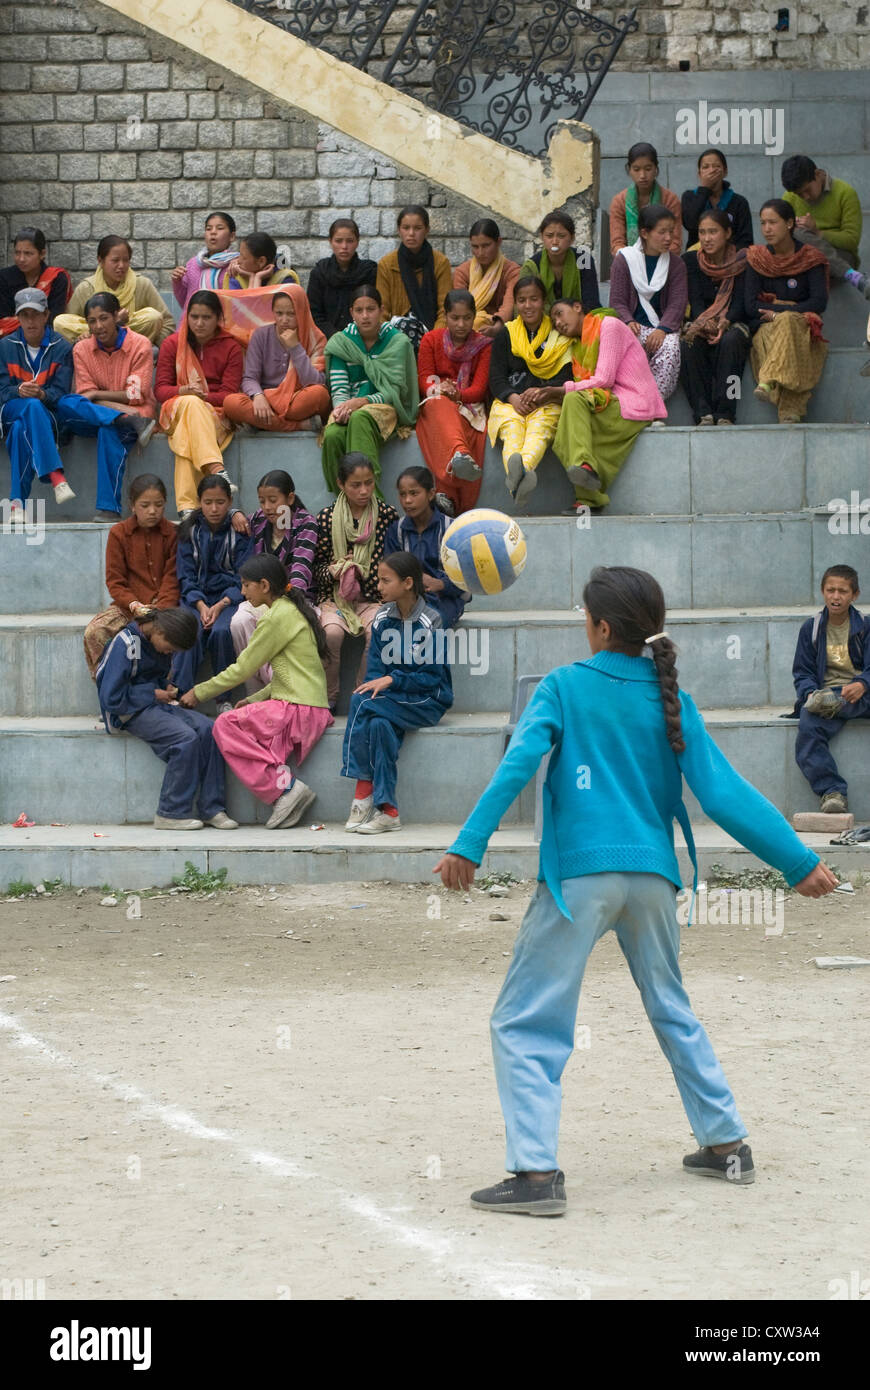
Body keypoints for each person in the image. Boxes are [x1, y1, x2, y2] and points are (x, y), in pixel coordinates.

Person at [434, 564, 837, 1216]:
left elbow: (519, 763)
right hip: (652, 878)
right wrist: (797, 862)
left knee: (524, 1019)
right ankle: (726, 1144)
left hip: (580, 880)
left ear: (598, 626)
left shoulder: (564, 686)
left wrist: (468, 843)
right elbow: (724, 792)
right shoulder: (669, 695)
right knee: (672, 1007)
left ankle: (536, 1177)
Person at [179, 554, 333, 829]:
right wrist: (252, 699)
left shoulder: (277, 617)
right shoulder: (288, 610)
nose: (242, 591)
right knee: (241, 722)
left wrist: (198, 692)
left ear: (264, 585)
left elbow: (242, 669)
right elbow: (292, 674)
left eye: (246, 584)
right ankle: (283, 792)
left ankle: (285, 790)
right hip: (305, 704)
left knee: (224, 724)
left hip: (299, 707)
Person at [95, 606, 238, 832]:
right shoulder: (126, 644)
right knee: (185, 738)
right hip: (126, 712)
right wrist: (153, 693)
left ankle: (212, 808)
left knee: (210, 728)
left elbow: (154, 678)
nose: (168, 654)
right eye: (169, 648)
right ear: (159, 632)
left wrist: (166, 689)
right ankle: (171, 812)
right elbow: (111, 698)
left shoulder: (155, 642)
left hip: (153, 705)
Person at [341, 551, 452, 834]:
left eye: (384, 580)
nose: (378, 586)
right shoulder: (381, 619)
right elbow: (375, 671)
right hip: (395, 698)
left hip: (428, 699)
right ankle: (388, 811)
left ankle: (362, 788)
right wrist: (383, 681)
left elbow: (431, 676)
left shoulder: (432, 620)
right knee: (378, 724)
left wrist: (392, 680)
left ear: (407, 583)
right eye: (378, 579)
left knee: (360, 702)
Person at [541, 298, 664, 514]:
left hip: (634, 402)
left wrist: (561, 390)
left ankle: (587, 489)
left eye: (559, 313)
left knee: (572, 400)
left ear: (578, 307)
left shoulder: (609, 325)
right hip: (609, 402)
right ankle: (587, 481)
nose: (557, 322)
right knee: (564, 432)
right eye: (553, 321)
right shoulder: (578, 347)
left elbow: (604, 379)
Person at [57, 292, 157, 521]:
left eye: (104, 318)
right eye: (92, 321)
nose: (99, 326)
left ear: (116, 316)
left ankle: (109, 508)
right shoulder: (81, 349)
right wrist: (123, 412)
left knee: (107, 428)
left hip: (134, 414)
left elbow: (137, 394)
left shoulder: (140, 344)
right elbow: (83, 395)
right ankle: (124, 420)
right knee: (66, 403)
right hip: (127, 417)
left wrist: (98, 395)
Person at [313, 453, 399, 711]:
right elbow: (315, 570)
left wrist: (363, 574)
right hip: (334, 598)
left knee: (378, 630)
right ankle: (328, 697)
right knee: (331, 633)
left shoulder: (386, 515)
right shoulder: (327, 518)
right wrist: (336, 571)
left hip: (375, 597)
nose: (364, 491)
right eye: (355, 485)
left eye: (369, 483)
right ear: (341, 484)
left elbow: (393, 565)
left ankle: (362, 694)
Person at [321, 284, 419, 495]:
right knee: (332, 435)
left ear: (382, 310)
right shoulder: (341, 343)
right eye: (359, 310)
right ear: (351, 313)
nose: (365, 316)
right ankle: (345, 503)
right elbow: (339, 389)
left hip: (385, 406)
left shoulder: (397, 342)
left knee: (360, 418)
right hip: (350, 406)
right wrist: (341, 409)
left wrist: (362, 403)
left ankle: (372, 502)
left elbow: (395, 391)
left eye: (371, 309)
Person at [789, 565, 870, 816]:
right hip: (829, 697)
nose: (836, 596)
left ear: (854, 595)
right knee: (809, 725)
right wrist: (810, 694)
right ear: (823, 592)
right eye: (831, 590)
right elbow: (802, 672)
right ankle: (832, 792)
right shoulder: (811, 628)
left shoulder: (866, 626)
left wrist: (863, 683)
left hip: (863, 693)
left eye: (843, 591)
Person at [154, 290, 244, 516]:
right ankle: (216, 468)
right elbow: (161, 391)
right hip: (176, 410)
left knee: (186, 435)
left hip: (215, 414)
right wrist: (183, 391)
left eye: (206, 317)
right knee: (189, 404)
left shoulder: (231, 347)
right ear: (187, 317)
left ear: (218, 319)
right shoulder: (173, 344)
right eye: (194, 317)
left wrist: (202, 397)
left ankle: (186, 508)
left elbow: (229, 394)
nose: (199, 323)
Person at [230, 469, 319, 695]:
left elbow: (301, 569)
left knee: (288, 624)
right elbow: (233, 521)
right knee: (239, 621)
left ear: (289, 499)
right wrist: (234, 512)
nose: (267, 507)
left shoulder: (305, 523)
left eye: (273, 500)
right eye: (262, 501)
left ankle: (280, 689)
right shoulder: (259, 520)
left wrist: (284, 606)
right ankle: (256, 692)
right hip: (261, 599)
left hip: (295, 600)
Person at [487, 275, 574, 503]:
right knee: (512, 431)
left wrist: (541, 394)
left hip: (547, 401)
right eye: (522, 300)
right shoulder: (506, 334)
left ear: (544, 301)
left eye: (534, 299)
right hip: (511, 401)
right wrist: (514, 398)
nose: (528, 306)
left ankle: (518, 478)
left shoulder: (558, 333)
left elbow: (566, 376)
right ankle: (522, 476)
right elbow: (496, 378)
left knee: (539, 430)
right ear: (515, 303)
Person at [83, 473, 180, 677]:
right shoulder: (119, 533)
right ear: (132, 505)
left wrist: (159, 608)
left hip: (164, 606)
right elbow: (115, 581)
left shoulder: (172, 533)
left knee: (168, 632)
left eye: (159, 504)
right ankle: (111, 684)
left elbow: (172, 578)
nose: (153, 511)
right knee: (95, 632)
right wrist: (134, 605)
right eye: (145, 505)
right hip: (128, 606)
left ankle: (167, 687)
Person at [173, 474, 254, 711]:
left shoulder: (241, 530)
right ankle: (179, 693)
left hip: (229, 599)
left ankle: (223, 698)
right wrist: (200, 605)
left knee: (222, 631)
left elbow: (244, 575)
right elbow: (185, 575)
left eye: (220, 502)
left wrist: (221, 604)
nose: (214, 508)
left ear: (230, 502)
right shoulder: (189, 531)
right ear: (199, 502)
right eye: (208, 502)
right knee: (190, 630)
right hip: (195, 599)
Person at [744, 199, 829, 424]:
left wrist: (781, 313)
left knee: (790, 323)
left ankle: (768, 378)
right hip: (767, 328)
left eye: (773, 222)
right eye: (762, 223)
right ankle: (790, 412)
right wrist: (784, 313)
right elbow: (750, 305)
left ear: (790, 223)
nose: (767, 229)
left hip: (804, 328)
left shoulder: (810, 258)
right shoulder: (757, 258)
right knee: (787, 322)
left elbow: (819, 302)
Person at [416, 288, 492, 515]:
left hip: (468, 404)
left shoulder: (484, 345)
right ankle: (460, 455)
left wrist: (457, 395)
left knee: (461, 421)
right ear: (445, 316)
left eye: (467, 318)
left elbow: (478, 389)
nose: (461, 324)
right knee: (439, 405)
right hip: (438, 400)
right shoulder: (431, 340)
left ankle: (448, 488)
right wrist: (439, 389)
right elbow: (424, 379)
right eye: (455, 318)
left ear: (474, 316)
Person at [0, 288, 75, 509]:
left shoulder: (61, 347)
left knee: (20, 428)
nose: (30, 321)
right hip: (9, 410)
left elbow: (61, 394)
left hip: (47, 416)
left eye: (35, 314)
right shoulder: (4, 346)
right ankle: (56, 476)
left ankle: (16, 504)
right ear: (17, 318)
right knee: (27, 407)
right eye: (24, 315)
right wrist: (18, 391)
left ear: (46, 315)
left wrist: (42, 394)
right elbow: (2, 391)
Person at [222, 286, 329, 434]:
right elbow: (250, 378)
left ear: (302, 312)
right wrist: (258, 397)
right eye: (279, 313)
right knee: (231, 403)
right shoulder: (261, 335)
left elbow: (315, 381)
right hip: (266, 401)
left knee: (319, 395)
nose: (284, 320)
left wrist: (295, 348)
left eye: (291, 314)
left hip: (296, 401)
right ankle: (299, 425)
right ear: (273, 313)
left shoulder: (315, 338)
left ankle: (262, 423)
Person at [680, 209, 752, 426]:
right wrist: (706, 323)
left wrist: (725, 322)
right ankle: (702, 412)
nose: (707, 238)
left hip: (734, 321)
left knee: (732, 342)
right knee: (687, 343)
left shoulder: (744, 260)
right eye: (702, 232)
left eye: (713, 232)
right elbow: (695, 298)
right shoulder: (691, 260)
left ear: (727, 233)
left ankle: (726, 412)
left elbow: (742, 301)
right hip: (704, 320)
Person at [609, 204, 687, 402]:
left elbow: (677, 305)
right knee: (626, 344)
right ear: (645, 232)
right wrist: (627, 321)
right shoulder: (624, 260)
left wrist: (662, 329)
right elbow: (617, 301)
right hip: (633, 326)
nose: (668, 238)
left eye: (671, 232)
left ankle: (653, 405)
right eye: (662, 232)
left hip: (662, 329)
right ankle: (630, 402)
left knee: (671, 348)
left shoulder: (676, 264)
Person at [385, 466, 470, 629]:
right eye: (402, 495)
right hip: (407, 599)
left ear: (431, 494)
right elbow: (389, 571)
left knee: (427, 624)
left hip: (445, 600)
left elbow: (467, 577)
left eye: (414, 493)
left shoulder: (451, 529)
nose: (407, 500)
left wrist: (440, 584)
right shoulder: (396, 530)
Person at [54, 235, 174, 345]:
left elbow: (168, 323)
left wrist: (152, 342)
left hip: (132, 344)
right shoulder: (87, 288)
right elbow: (68, 323)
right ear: (100, 261)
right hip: (95, 341)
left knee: (153, 317)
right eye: (115, 261)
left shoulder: (141, 284)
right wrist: (88, 333)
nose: (121, 266)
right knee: (59, 322)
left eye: (126, 260)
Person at [780, 155, 868, 298]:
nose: (805, 197)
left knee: (800, 235)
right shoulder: (789, 197)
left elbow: (852, 241)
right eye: (799, 194)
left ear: (818, 174)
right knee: (793, 233)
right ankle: (853, 277)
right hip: (804, 255)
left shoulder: (845, 193)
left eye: (807, 190)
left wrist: (818, 232)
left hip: (840, 255)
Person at [376, 205, 453, 349]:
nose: (411, 233)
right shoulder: (387, 264)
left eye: (417, 228)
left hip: (432, 333)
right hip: (396, 333)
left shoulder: (440, 262)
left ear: (427, 230)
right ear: (399, 230)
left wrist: (433, 339)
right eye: (406, 228)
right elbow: (382, 310)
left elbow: (445, 309)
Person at [306, 218, 379, 340]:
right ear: (330, 242)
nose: (344, 246)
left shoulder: (368, 272)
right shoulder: (320, 273)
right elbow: (314, 314)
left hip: (362, 339)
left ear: (357, 242)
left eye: (350, 241)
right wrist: (336, 337)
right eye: (338, 241)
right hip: (326, 340)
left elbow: (373, 309)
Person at [519, 210, 601, 315]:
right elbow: (525, 305)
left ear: (572, 238)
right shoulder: (532, 266)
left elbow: (591, 302)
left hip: (578, 319)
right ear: (541, 237)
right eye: (549, 236)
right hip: (542, 322)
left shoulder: (584, 260)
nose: (554, 241)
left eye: (561, 236)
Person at [609, 143, 683, 256]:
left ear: (656, 169)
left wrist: (653, 259)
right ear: (629, 170)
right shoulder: (619, 201)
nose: (642, 175)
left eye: (648, 169)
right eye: (636, 169)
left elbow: (675, 243)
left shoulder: (670, 200)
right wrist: (635, 260)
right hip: (630, 262)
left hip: (664, 261)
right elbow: (617, 244)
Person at [452, 219, 521, 337]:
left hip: (503, 329)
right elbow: (459, 306)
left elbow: (509, 304)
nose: (480, 252)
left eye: (486, 246)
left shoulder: (512, 272)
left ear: (498, 242)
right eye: (475, 247)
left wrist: (497, 326)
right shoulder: (462, 272)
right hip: (465, 327)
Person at [0, 226, 72, 337]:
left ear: (42, 254)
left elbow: (54, 318)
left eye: (28, 253)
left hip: (47, 337)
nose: (21, 259)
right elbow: (4, 320)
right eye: (17, 253)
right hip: (10, 339)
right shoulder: (4, 277)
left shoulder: (56, 278)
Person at [681, 149, 753, 251]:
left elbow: (746, 241)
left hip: (731, 260)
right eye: (705, 167)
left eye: (716, 166)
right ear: (699, 174)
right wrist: (704, 188)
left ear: (725, 171)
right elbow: (690, 224)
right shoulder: (689, 196)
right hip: (697, 257)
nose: (711, 171)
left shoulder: (739, 202)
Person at [171, 210, 238, 308]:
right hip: (194, 321)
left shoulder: (236, 264)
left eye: (220, 228)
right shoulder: (193, 264)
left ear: (231, 236)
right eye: (208, 229)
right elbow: (185, 303)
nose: (213, 232)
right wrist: (177, 281)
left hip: (227, 321)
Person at [221, 231, 299, 291]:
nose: (238, 261)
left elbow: (257, 309)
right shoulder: (236, 276)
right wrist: (252, 278)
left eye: (243, 257)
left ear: (261, 261)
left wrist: (256, 279)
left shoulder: (284, 279)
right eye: (239, 254)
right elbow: (238, 310)